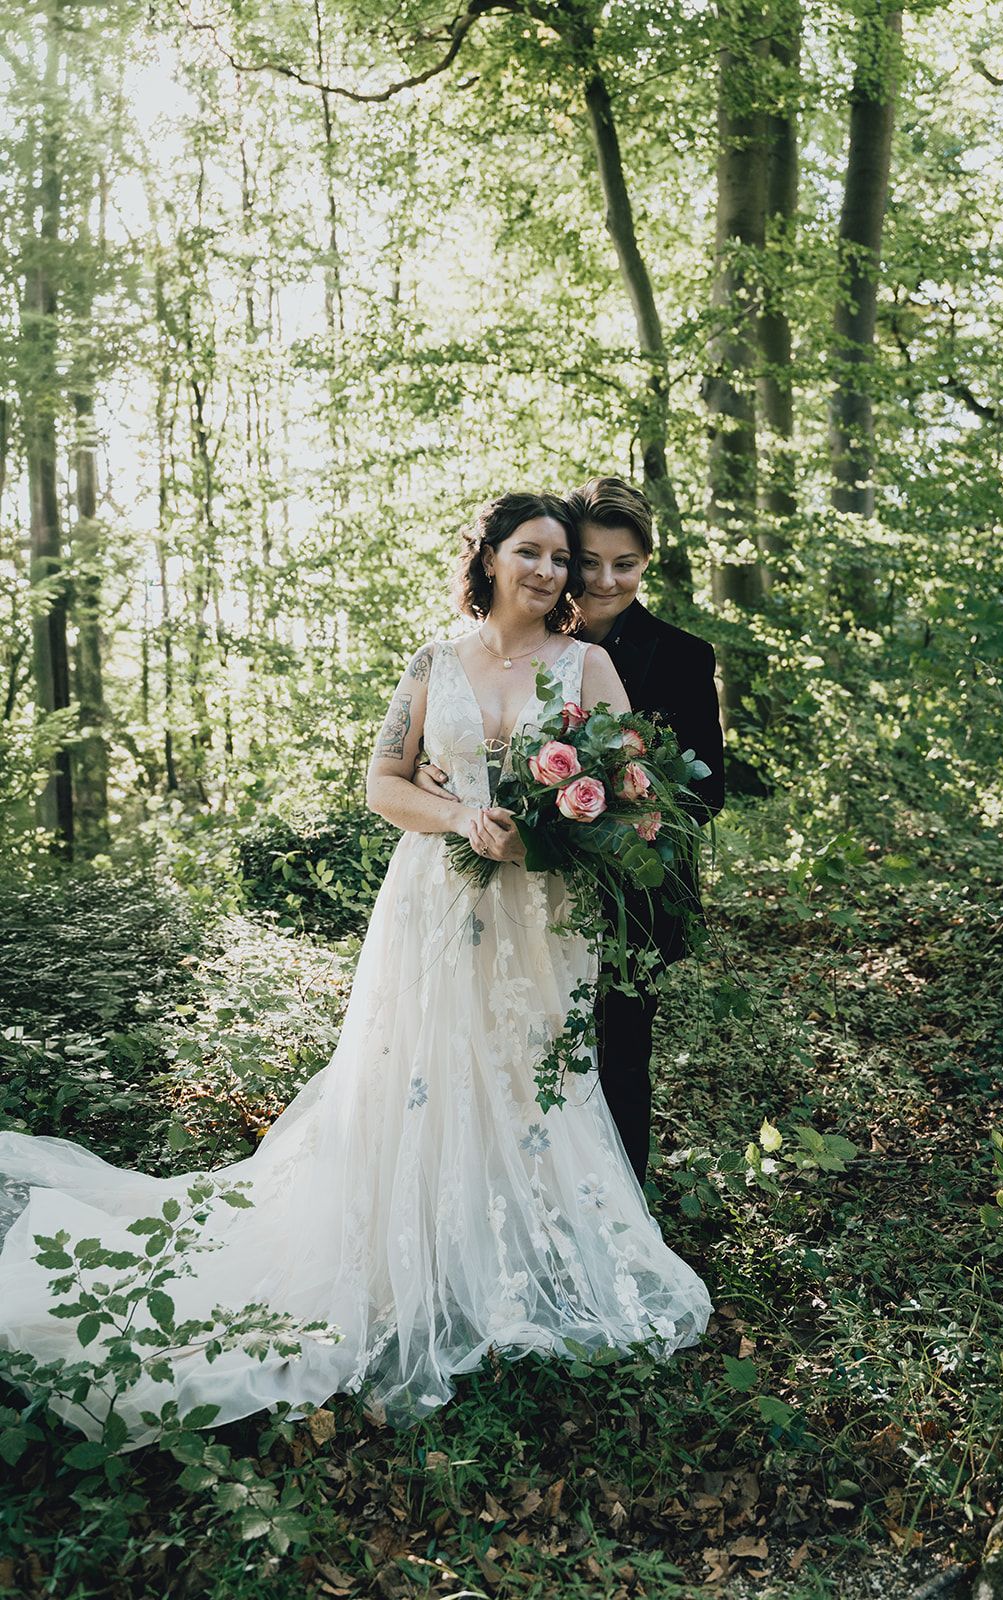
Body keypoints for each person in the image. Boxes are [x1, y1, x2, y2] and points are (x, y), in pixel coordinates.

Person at [0, 491, 711, 1447]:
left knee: (535, 1074)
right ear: (491, 558)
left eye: (559, 559)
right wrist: (462, 817)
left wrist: (564, 833)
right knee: (425, 1071)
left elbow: (635, 793)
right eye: (530, 554)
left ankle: (527, 1256)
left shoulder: (588, 664)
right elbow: (382, 780)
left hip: (546, 911)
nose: (548, 573)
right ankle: (418, 1258)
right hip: (437, 899)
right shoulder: (434, 660)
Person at [419, 477, 725, 1185]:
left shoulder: (681, 656)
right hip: (506, 884)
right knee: (515, 1038)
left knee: (615, 1051)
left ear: (646, 563)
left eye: (625, 565)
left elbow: (707, 790)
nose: (603, 580)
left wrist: (608, 819)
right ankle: (510, 1191)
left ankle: (618, 1210)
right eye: (587, 562)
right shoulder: (521, 635)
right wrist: (449, 778)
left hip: (630, 891)